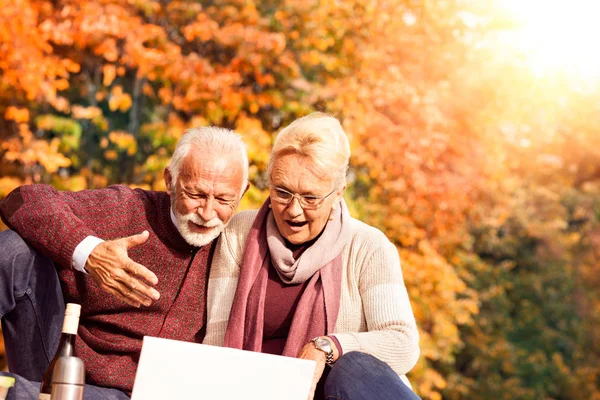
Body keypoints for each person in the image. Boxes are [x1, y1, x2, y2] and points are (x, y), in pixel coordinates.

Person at [0, 126, 249, 399]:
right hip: (58, 361)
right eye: (195, 194)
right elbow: (22, 200)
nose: (207, 212)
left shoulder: (240, 243)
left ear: (243, 191)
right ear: (170, 180)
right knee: (16, 249)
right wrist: (90, 252)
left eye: (224, 199)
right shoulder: (128, 209)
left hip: (131, 394)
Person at [202, 113, 421, 400]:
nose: (293, 210)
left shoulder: (369, 247)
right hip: (255, 392)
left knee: (352, 366)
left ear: (338, 192)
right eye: (282, 193)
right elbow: (217, 341)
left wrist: (329, 347)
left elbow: (403, 344)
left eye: (310, 198)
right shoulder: (240, 233)